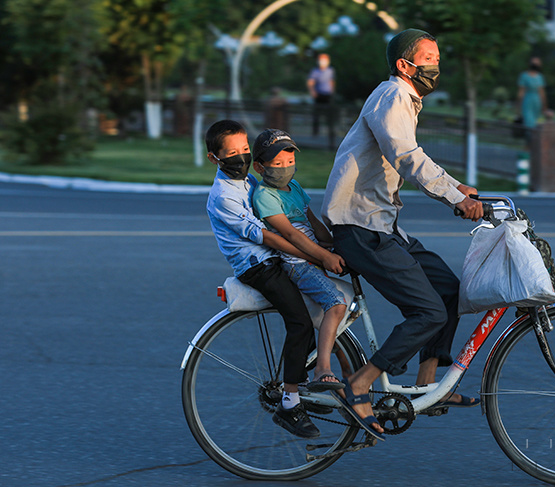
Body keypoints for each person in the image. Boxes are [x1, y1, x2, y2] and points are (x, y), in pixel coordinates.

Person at [320, 28, 484, 438]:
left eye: (438, 58)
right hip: (359, 227)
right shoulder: (392, 96)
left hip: (383, 224)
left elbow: (415, 156)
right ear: (405, 65)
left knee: (448, 289)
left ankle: (428, 385)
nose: (436, 65)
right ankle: (360, 383)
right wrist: (453, 197)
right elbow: (407, 157)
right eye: (428, 57)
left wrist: (457, 187)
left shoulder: (405, 100)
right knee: (427, 311)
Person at [204, 119, 320, 439]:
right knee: (300, 322)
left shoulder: (250, 181)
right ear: (215, 158)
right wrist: (309, 252)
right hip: (258, 266)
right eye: (232, 153)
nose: (239, 157)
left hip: (274, 258)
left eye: (244, 149)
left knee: (317, 305)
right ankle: (290, 404)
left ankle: (304, 383)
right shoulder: (222, 196)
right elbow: (265, 235)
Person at [250, 128, 348, 393]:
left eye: (290, 162)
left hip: (313, 257)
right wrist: (325, 256)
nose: (286, 168)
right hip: (298, 265)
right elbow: (292, 234)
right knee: (336, 305)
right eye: (278, 164)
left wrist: (334, 244)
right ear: (260, 167)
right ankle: (322, 369)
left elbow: (311, 222)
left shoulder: (294, 187)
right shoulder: (264, 196)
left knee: (333, 313)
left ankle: (345, 364)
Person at [516, 56, 553, 149]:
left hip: (537, 102)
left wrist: (544, 106)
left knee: (535, 125)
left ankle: (531, 146)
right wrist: (518, 105)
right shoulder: (524, 75)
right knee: (529, 124)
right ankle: (528, 145)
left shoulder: (540, 77)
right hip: (527, 101)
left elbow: (542, 92)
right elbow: (521, 92)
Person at [307, 53, 336, 149]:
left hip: (327, 95)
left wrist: (332, 91)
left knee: (329, 116)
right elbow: (311, 82)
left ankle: (330, 134)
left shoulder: (330, 71)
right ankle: (315, 133)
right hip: (318, 95)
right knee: (316, 115)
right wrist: (313, 91)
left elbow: (331, 81)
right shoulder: (315, 71)